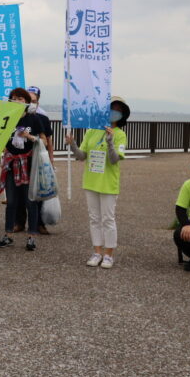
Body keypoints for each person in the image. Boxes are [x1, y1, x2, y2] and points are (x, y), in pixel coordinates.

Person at [65, 97, 130, 268]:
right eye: (111, 108)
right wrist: (72, 144)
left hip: (108, 183)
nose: (113, 112)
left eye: (118, 110)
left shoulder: (121, 135)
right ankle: (97, 252)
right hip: (91, 181)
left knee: (108, 219)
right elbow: (82, 156)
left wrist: (110, 142)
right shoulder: (92, 131)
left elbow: (115, 159)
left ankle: (109, 255)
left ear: (121, 115)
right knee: (94, 218)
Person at [0, 87, 47, 252]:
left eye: (21, 98)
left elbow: (44, 141)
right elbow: (0, 139)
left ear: (27, 102)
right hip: (11, 165)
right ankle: (8, 234)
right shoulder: (7, 119)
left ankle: (32, 237)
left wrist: (30, 137)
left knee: (30, 201)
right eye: (14, 98)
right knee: (11, 202)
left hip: (29, 164)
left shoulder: (34, 119)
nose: (17, 101)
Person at [16, 86, 55, 234]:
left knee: (39, 192)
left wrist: (51, 160)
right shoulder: (16, 117)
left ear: (38, 102)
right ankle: (19, 222)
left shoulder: (43, 118)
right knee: (19, 193)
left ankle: (39, 223)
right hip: (19, 160)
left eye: (34, 100)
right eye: (28, 100)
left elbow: (48, 141)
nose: (31, 103)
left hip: (37, 160)